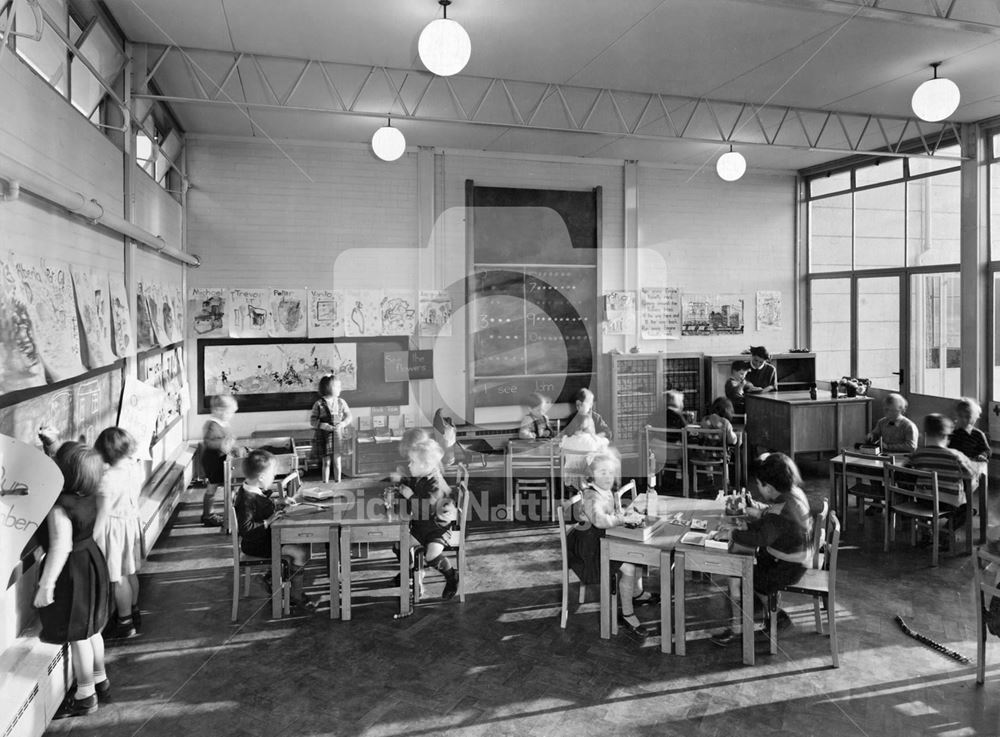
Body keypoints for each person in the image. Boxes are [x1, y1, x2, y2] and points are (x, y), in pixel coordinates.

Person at [34, 442, 112, 718]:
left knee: (78, 635)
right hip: (91, 561)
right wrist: (51, 446)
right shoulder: (92, 493)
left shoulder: (60, 507)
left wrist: (46, 585)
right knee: (92, 630)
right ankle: (100, 678)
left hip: (72, 571)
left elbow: (60, 547)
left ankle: (85, 694)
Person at [713, 453, 812, 646]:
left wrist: (732, 534)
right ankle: (770, 610)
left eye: (759, 484)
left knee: (749, 577)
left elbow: (761, 538)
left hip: (788, 565)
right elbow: (772, 524)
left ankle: (776, 616)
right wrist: (752, 522)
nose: (757, 488)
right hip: (795, 556)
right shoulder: (793, 494)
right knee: (755, 564)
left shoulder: (779, 512)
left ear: (769, 486)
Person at [566, 451, 656, 638]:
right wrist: (621, 518)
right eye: (602, 472)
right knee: (630, 566)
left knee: (637, 550)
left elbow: (613, 514)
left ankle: (636, 593)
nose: (607, 477)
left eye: (610, 472)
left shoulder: (604, 491)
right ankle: (628, 614)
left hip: (602, 539)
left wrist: (625, 516)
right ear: (591, 476)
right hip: (589, 549)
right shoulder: (591, 496)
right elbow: (599, 521)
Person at [233, 450, 312, 610]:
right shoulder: (246, 500)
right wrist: (268, 521)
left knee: (303, 540)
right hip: (259, 545)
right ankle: (295, 596)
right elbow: (246, 529)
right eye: (272, 474)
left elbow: (261, 505)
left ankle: (271, 577)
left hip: (267, 538)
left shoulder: (249, 490)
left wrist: (278, 502)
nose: (274, 476)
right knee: (301, 551)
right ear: (261, 477)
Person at [93, 427, 143, 639]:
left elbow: (102, 515)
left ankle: (125, 622)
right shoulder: (134, 468)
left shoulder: (107, 479)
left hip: (114, 531)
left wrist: (91, 540)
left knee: (118, 577)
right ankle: (134, 610)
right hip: (130, 523)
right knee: (130, 572)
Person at [396, 439, 460, 600]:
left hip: (438, 528)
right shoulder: (422, 476)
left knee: (431, 556)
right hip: (422, 525)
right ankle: (412, 572)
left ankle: (452, 576)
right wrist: (402, 481)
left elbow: (425, 509)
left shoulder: (435, 484)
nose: (409, 465)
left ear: (425, 466)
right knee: (399, 546)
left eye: (413, 462)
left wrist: (409, 495)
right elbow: (414, 485)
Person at [907, 413, 978, 527]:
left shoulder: (918, 454)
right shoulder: (955, 456)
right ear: (946, 436)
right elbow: (970, 475)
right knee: (968, 511)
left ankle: (925, 531)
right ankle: (946, 531)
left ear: (925, 434)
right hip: (948, 503)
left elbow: (907, 469)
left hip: (923, 501)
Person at [200, 394, 238, 526]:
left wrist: (230, 443)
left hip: (221, 458)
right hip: (212, 460)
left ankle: (230, 511)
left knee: (227, 485)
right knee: (212, 487)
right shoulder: (212, 424)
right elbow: (209, 441)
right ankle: (207, 515)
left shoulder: (223, 423)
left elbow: (226, 439)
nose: (231, 416)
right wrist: (222, 443)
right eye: (229, 413)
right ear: (218, 410)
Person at [310, 375, 353, 483]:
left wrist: (343, 423)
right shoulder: (318, 404)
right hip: (324, 436)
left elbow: (349, 416)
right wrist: (322, 425)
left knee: (337, 462)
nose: (340, 389)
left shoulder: (341, 402)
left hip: (337, 435)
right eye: (338, 387)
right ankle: (325, 484)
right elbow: (312, 421)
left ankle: (338, 483)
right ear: (329, 388)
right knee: (326, 462)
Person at [948, 397, 991, 490]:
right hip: (955, 466)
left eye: (967, 416)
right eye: (960, 416)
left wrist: (982, 455)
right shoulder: (953, 432)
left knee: (964, 483)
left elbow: (987, 450)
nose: (963, 419)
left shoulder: (978, 434)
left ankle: (964, 502)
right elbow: (947, 448)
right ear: (956, 416)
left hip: (970, 466)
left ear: (974, 417)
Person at [560, 416, 609, 492]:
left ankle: (578, 499)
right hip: (587, 479)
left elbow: (560, 448)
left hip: (569, 479)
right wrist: (593, 435)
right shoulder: (591, 441)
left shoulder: (566, 439)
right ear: (588, 427)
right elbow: (606, 442)